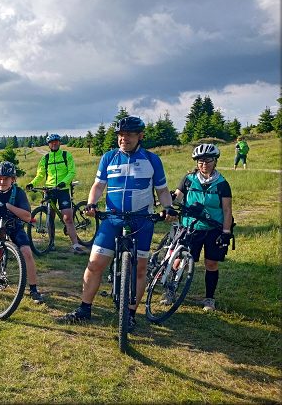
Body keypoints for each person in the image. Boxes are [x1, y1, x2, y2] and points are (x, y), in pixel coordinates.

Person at [56, 116, 178, 330]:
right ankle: (84, 309)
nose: (124, 139)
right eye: (121, 135)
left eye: (129, 135)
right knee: (94, 265)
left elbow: (162, 190)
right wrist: (92, 203)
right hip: (113, 218)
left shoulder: (152, 160)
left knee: (140, 270)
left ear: (140, 136)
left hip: (141, 219)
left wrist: (167, 207)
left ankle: (130, 314)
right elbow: (98, 185)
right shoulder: (109, 157)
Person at [0, 161, 45, 304]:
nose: (2, 181)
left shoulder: (19, 193)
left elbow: (27, 216)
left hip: (14, 225)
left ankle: (34, 289)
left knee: (27, 252)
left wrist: (8, 206)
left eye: (6, 178)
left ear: (13, 180)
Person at [171, 144, 233, 312]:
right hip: (191, 226)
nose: (204, 164)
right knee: (180, 259)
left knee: (211, 263)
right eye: (200, 161)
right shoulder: (188, 179)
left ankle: (209, 298)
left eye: (208, 160)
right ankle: (171, 291)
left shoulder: (222, 184)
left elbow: (227, 210)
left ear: (215, 161)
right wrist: (170, 199)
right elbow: (177, 198)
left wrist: (226, 232)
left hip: (214, 228)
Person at [25, 133, 88, 255]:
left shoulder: (66, 155)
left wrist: (64, 183)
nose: (54, 144)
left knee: (67, 218)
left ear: (59, 143)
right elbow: (40, 174)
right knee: (50, 217)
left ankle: (75, 245)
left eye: (56, 142)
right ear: (48, 144)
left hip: (62, 190)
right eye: (51, 142)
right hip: (49, 189)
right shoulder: (46, 158)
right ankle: (51, 243)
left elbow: (71, 172)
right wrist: (32, 183)